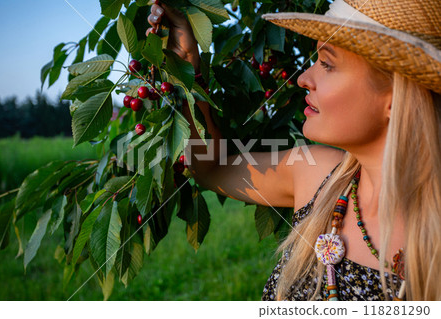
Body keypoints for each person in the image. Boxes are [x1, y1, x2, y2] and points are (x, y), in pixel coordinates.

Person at [147, 0, 441, 301]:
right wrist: (186, 66)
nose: (303, 79)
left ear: (393, 99)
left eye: (327, 64)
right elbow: (211, 167)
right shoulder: (318, 174)